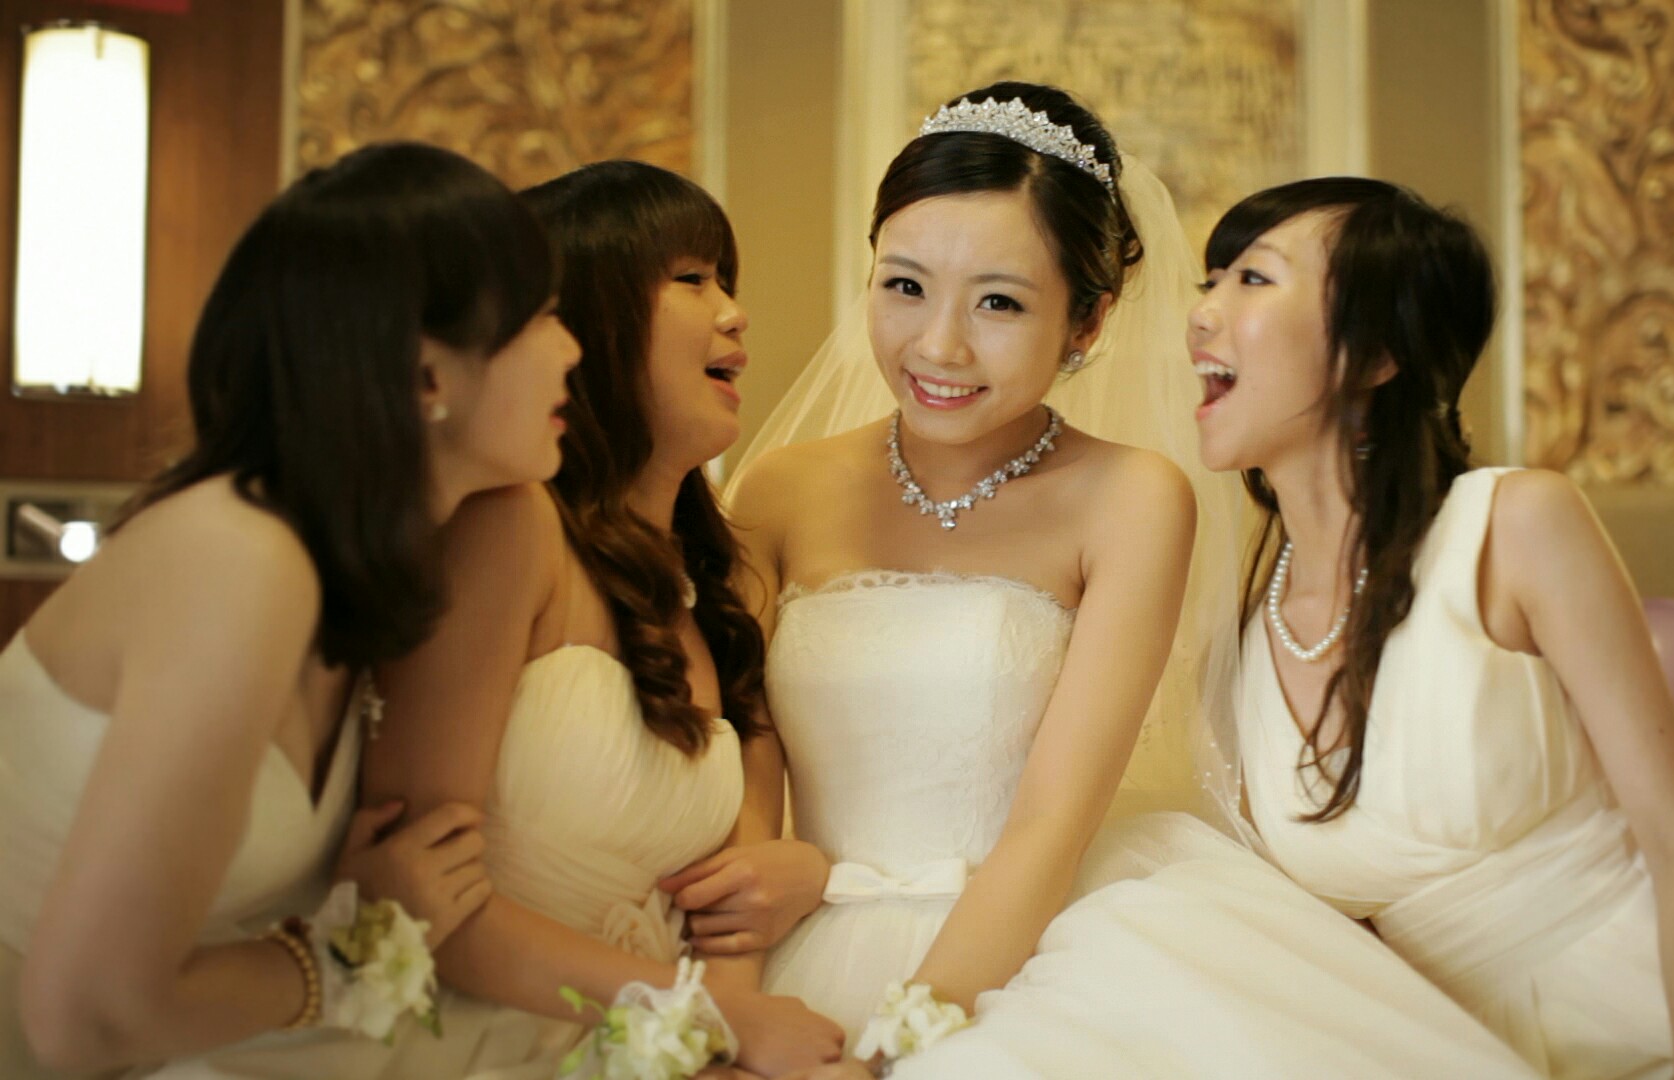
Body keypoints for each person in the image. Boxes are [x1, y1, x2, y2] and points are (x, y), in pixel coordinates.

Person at [721, 83, 1540, 1079]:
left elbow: (1049, 823)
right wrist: (728, 1008)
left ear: (1089, 320)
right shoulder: (778, 491)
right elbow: (742, 798)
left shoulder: (1132, 499)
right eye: (904, 286)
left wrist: (897, 1046)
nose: (938, 345)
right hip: (799, 934)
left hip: (1038, 942)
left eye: (999, 302)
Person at [1192, 175, 1674, 1079]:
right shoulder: (1240, 637)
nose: (1203, 313)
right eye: (1209, 281)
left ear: (1377, 353)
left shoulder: (1513, 525)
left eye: (1253, 279)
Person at [0, 141, 578, 1077]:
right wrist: (342, 954)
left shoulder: (350, 577)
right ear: (428, 377)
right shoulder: (237, 557)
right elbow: (87, 1016)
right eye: (543, 317)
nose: (573, 348)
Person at [360, 159, 842, 1079]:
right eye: (693, 279)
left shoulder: (715, 584)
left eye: (727, 280)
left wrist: (725, 1023)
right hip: (456, 1037)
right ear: (578, 322)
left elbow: (730, 909)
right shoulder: (509, 528)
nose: (735, 312)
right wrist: (704, 1016)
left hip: (639, 1048)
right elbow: (412, 898)